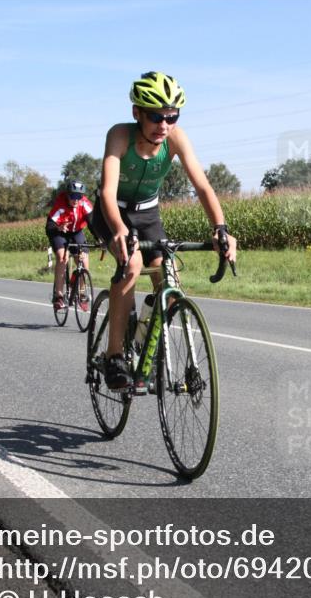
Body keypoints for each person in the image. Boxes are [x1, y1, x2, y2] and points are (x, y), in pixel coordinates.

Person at [88, 71, 237, 392]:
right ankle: (114, 356)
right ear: (137, 113)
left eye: (172, 116)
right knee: (132, 264)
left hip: (148, 214)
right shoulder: (120, 135)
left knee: (170, 283)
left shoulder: (176, 138)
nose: (164, 124)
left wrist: (220, 228)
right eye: (156, 116)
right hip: (112, 212)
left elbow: (203, 187)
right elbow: (107, 192)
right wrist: (119, 230)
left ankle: (142, 337)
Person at [46, 179, 93, 311]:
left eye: (79, 196)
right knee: (62, 257)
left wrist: (100, 238)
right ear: (67, 195)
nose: (76, 200)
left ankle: (81, 293)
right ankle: (59, 296)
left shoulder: (85, 204)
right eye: (73, 196)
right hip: (59, 232)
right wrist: (58, 227)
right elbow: (49, 226)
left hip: (76, 232)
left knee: (84, 261)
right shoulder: (60, 205)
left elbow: (93, 223)